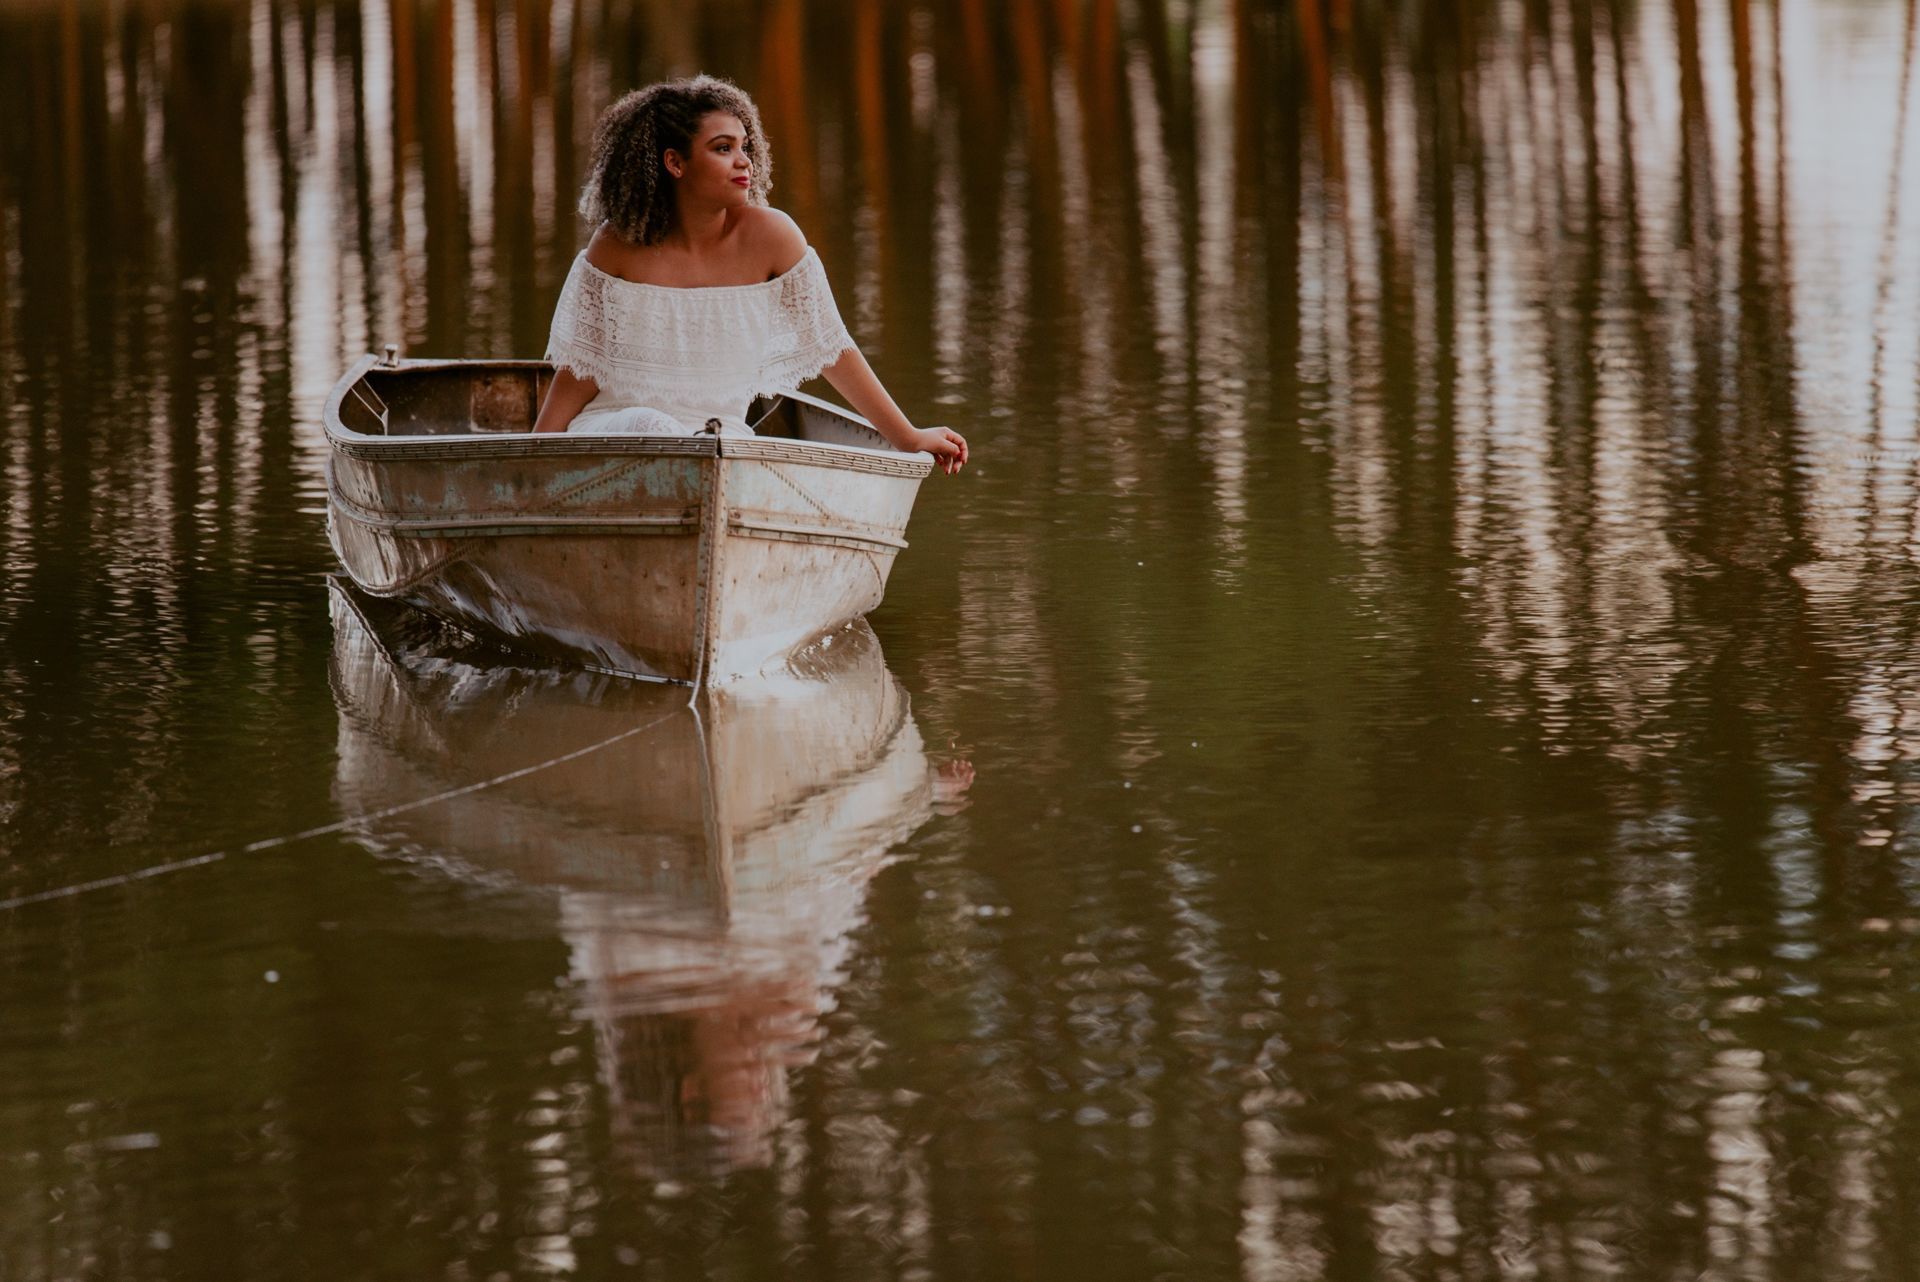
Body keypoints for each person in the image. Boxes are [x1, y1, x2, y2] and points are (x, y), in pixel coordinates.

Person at [534, 76, 969, 475]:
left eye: (745, 146)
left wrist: (908, 437)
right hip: (619, 436)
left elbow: (831, 348)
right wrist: (534, 455)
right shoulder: (617, 245)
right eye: (723, 148)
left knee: (723, 450)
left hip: (722, 447)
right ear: (674, 162)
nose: (745, 162)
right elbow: (582, 368)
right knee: (655, 424)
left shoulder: (773, 238)